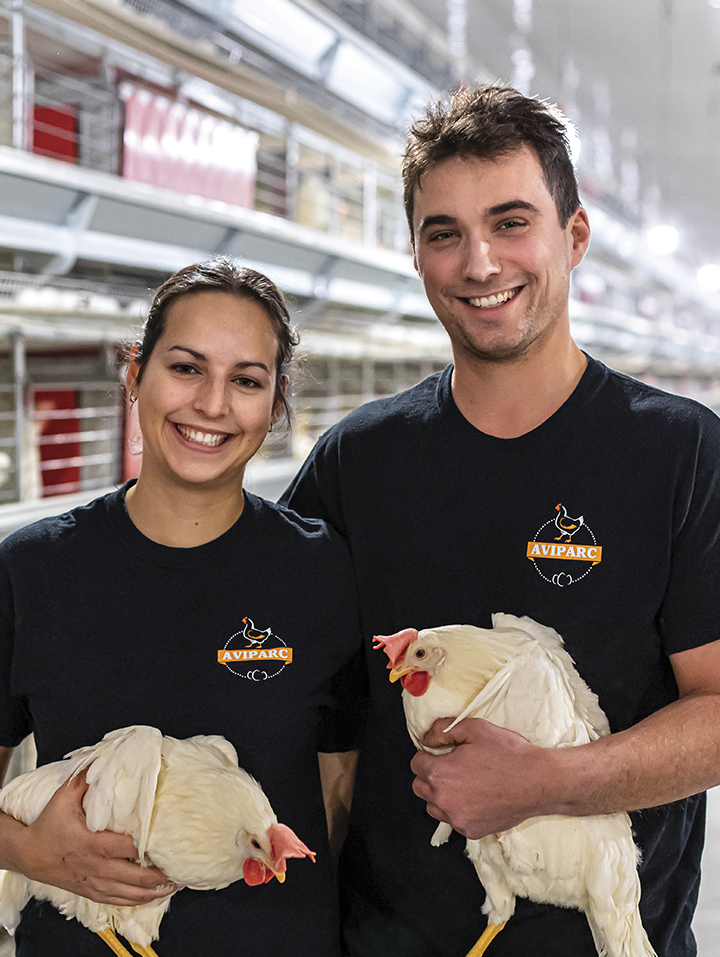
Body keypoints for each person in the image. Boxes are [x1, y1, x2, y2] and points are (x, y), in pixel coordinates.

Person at [281, 84, 720, 957]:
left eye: (511, 222)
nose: (479, 262)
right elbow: (286, 688)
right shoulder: (356, 462)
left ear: (575, 236)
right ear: (416, 254)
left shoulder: (681, 453)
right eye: (444, 233)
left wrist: (547, 780)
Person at [0, 258, 363, 956]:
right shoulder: (29, 574)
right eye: (186, 367)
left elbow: (342, 785)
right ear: (135, 374)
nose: (212, 403)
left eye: (246, 380)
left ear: (274, 409)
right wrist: (29, 850)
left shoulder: (323, 572)